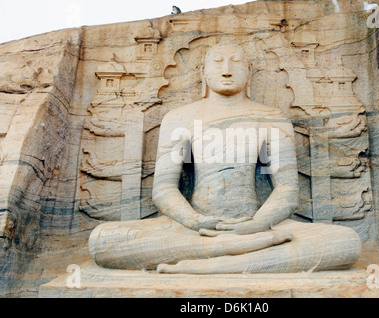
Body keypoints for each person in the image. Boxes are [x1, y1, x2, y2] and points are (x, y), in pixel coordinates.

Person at [88, 43, 361, 274]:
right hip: (193, 229)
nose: (226, 69)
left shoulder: (271, 118)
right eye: (217, 62)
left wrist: (258, 223)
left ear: (249, 73)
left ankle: (199, 264)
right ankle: (227, 251)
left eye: (236, 62)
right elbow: (164, 189)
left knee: (345, 242)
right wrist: (193, 220)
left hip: (257, 226)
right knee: (102, 241)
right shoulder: (180, 118)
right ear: (203, 73)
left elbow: (287, 189)